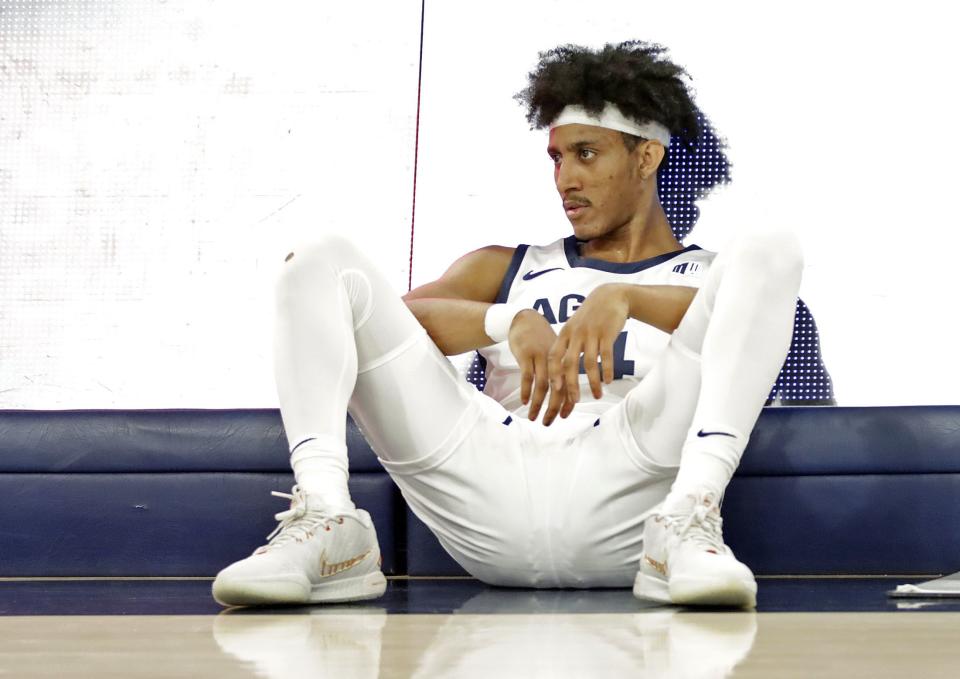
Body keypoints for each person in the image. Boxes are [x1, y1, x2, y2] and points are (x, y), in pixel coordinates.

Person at [212, 40, 804, 608]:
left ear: (646, 157)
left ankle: (691, 513)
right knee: (318, 256)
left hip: (635, 479)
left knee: (772, 245)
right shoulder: (507, 266)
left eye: (587, 154)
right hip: (491, 475)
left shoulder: (713, 275)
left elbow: (746, 317)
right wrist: (506, 320)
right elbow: (389, 316)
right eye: (557, 157)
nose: (565, 179)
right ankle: (327, 518)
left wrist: (626, 297)